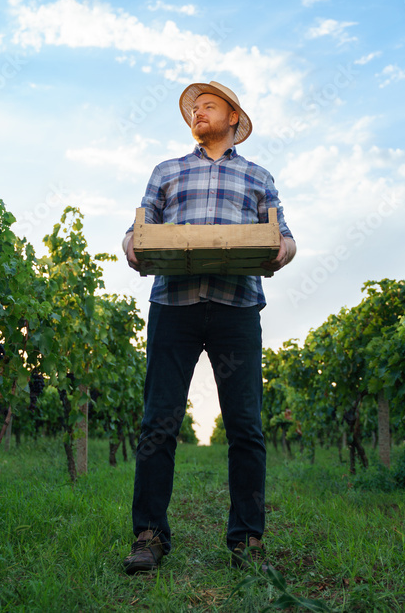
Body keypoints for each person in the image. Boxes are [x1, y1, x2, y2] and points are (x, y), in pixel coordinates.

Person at [120, 81, 296, 574]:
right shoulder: (166, 171)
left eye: (209, 105)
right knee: (158, 421)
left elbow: (283, 235)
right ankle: (149, 534)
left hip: (236, 307)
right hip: (173, 305)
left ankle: (246, 540)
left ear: (233, 118)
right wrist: (131, 245)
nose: (198, 112)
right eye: (194, 108)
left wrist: (283, 250)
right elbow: (139, 227)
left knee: (245, 425)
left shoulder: (259, 177)